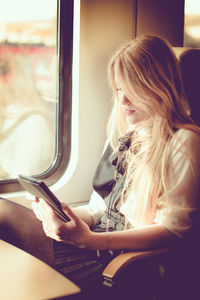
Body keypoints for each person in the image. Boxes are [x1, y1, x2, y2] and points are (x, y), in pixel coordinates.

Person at [0, 34, 200, 299]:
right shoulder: (123, 133)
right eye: (118, 89)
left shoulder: (184, 141)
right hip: (96, 241)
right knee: (4, 212)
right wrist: (61, 216)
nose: (123, 100)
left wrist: (88, 240)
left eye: (133, 88)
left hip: (126, 262)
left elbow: (173, 232)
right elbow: (98, 208)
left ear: (159, 86)